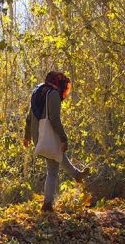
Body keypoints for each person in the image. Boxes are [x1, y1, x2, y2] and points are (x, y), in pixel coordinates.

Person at [24, 71, 88, 212]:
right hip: (47, 134)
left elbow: (29, 117)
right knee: (53, 169)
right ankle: (47, 204)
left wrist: (27, 136)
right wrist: (63, 138)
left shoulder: (37, 90)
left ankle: (76, 174)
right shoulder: (53, 94)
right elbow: (54, 119)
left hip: (38, 135)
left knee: (54, 161)